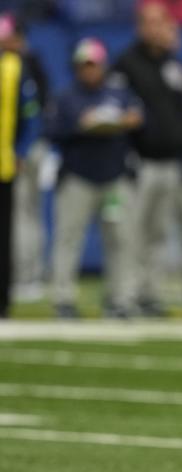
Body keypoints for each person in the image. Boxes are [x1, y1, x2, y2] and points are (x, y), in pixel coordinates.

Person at [113, 0, 182, 315]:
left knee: (157, 234)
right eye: (151, 23)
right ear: (141, 27)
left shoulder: (173, 64)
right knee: (131, 233)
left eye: (162, 23)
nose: (157, 29)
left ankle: (148, 293)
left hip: (170, 161)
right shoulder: (126, 64)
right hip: (140, 160)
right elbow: (119, 110)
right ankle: (123, 296)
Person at [46, 38, 142, 318]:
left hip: (114, 177)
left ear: (103, 66)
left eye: (93, 65)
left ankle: (120, 299)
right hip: (78, 177)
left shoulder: (119, 93)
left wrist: (124, 121)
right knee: (68, 239)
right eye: (84, 65)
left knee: (120, 240)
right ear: (76, 67)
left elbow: (138, 119)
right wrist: (81, 125)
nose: (89, 71)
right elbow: (52, 131)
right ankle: (63, 299)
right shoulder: (66, 97)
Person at [0, 15, 39, 318]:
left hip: (4, 164)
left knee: (5, 235)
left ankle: (3, 299)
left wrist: (21, 151)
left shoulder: (15, 67)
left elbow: (30, 114)